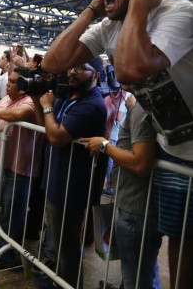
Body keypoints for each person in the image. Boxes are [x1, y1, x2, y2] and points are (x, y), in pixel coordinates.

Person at [41, 0, 193, 289]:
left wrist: (141, 6)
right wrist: (92, 10)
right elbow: (52, 63)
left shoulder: (179, 12)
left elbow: (133, 68)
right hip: (177, 156)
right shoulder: (107, 26)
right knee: (183, 247)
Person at [33, 58, 107, 289]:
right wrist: (38, 99)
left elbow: (56, 137)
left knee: (68, 248)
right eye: (71, 66)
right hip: (56, 178)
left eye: (81, 68)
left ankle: (70, 285)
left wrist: (47, 107)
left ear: (96, 76)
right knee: (57, 240)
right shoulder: (67, 97)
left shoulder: (92, 105)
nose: (72, 72)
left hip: (71, 186)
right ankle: (56, 280)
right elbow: (46, 130)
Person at [80, 100, 162, 289]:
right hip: (135, 204)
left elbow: (141, 164)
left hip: (135, 208)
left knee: (137, 277)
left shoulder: (141, 109)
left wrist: (105, 146)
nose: (118, 71)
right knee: (145, 271)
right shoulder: (140, 106)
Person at [0, 67, 43, 270]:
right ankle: (2, 241)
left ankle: (8, 255)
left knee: (13, 208)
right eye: (9, 81)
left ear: (24, 86)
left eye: (13, 82)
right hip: (2, 159)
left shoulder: (31, 102)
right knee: (1, 205)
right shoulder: (5, 99)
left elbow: (19, 114)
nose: (8, 84)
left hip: (19, 164)